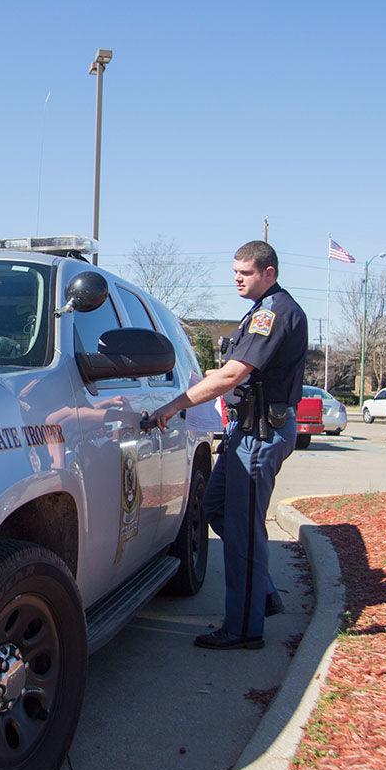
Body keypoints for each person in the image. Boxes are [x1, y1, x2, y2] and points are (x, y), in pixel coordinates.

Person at [149, 240, 307, 650]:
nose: (236, 279)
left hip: (259, 435)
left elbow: (231, 375)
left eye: (245, 273)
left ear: (269, 272)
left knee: (246, 530)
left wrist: (174, 405)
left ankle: (244, 629)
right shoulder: (257, 312)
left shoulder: (274, 313)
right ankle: (262, 595)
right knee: (216, 508)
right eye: (235, 271)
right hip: (245, 432)